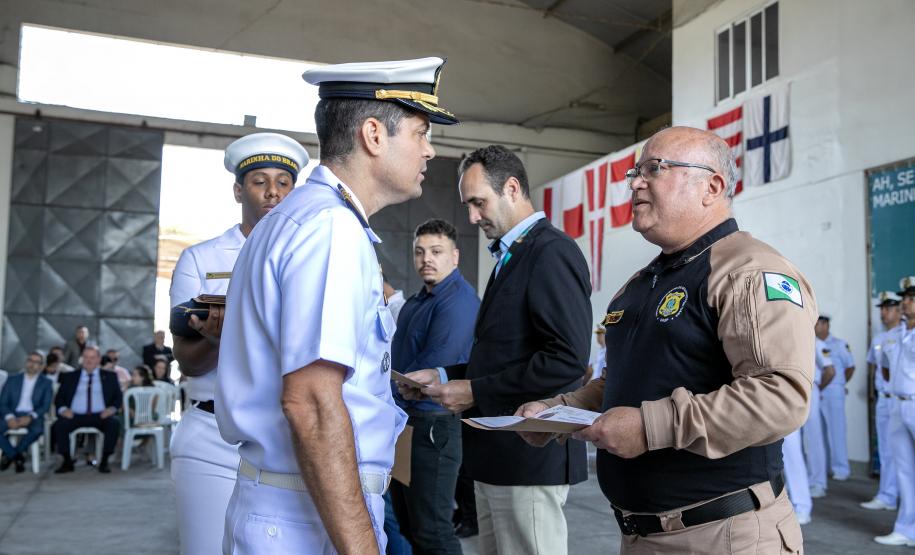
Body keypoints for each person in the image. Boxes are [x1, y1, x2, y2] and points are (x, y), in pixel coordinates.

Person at [514, 127, 817, 553]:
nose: (636, 182)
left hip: (725, 535)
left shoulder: (747, 272)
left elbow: (780, 396)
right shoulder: (641, 284)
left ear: (711, 186)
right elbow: (627, 382)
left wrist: (649, 426)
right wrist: (560, 411)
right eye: (635, 172)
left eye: (654, 169)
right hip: (641, 534)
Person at [216, 57, 458, 554]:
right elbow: (312, 403)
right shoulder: (331, 230)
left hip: (291, 503)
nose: (429, 150)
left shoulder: (297, 218)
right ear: (374, 134)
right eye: (420, 132)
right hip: (307, 516)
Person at [400, 145, 591, 555]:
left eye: (478, 203)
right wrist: (446, 376)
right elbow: (504, 354)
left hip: (529, 457)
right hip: (498, 458)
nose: (472, 217)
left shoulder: (551, 252)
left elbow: (566, 360)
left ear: (512, 188)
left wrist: (475, 392)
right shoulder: (514, 255)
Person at [168, 132, 308, 555]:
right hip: (212, 435)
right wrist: (223, 335)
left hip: (283, 435)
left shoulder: (308, 258)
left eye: (284, 182)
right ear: (238, 190)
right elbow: (188, 363)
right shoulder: (202, 258)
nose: (272, 193)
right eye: (259, 181)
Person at [389, 218, 479, 554]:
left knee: (433, 532)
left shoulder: (458, 301)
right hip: (406, 424)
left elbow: (431, 368)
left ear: (454, 257)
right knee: (409, 527)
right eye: (420, 251)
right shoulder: (417, 301)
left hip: (433, 427)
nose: (427, 258)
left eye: (436, 251)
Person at [875, 277, 915, 547]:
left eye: (911, 298)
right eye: (905, 298)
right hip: (898, 405)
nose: (905, 302)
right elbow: (886, 368)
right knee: (904, 469)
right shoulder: (894, 334)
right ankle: (906, 528)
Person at [52, 346, 123, 474]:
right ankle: (67, 461)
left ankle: (105, 460)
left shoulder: (110, 376)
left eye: (92, 357)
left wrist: (111, 409)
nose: (89, 361)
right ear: (81, 359)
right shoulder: (70, 376)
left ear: (98, 359)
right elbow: (59, 398)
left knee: (114, 423)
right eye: (86, 357)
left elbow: (118, 398)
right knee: (59, 425)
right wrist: (63, 410)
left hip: (100, 415)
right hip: (74, 415)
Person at [862, 291, 903, 511]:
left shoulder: (906, 334)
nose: (884, 313)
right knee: (887, 450)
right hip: (883, 398)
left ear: (899, 310)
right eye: (882, 309)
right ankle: (888, 494)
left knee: (904, 452)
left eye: (888, 309)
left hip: (902, 399)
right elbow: (874, 368)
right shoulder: (878, 338)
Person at [0, 351, 53, 473]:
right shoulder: (12, 379)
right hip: (12, 414)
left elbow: (45, 406)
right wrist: (9, 417)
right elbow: (2, 403)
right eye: (30, 360)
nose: (32, 364)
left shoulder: (46, 383)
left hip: (33, 416)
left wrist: (30, 417)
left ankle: (11, 456)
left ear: (41, 366)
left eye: (36, 362)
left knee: (37, 430)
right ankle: (16, 456)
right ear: (26, 362)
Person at [815, 315, 853, 481]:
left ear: (825, 325)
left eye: (817, 323)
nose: (814, 326)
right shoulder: (813, 343)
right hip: (819, 391)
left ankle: (841, 469)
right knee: (819, 433)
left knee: (837, 431)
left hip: (833, 391)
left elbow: (850, 367)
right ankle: (824, 468)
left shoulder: (839, 344)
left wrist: (840, 384)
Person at [804, 337, 835, 499]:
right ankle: (804, 480)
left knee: (814, 438)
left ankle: (818, 482)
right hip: (798, 389)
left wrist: (818, 389)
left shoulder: (817, 343)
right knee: (797, 441)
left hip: (811, 388)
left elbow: (830, 371)